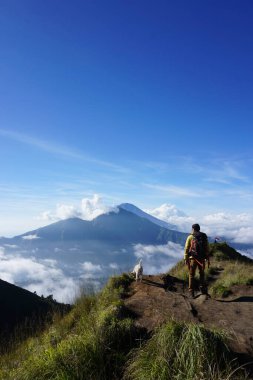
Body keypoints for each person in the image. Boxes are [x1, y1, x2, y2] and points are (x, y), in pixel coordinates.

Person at [184, 223, 209, 298]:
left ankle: (191, 292)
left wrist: (186, 258)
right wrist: (206, 257)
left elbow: (186, 248)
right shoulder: (203, 236)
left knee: (191, 275)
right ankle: (202, 289)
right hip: (201, 259)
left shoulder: (190, 237)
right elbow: (207, 247)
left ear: (193, 229)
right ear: (199, 229)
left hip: (193, 259)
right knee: (201, 273)